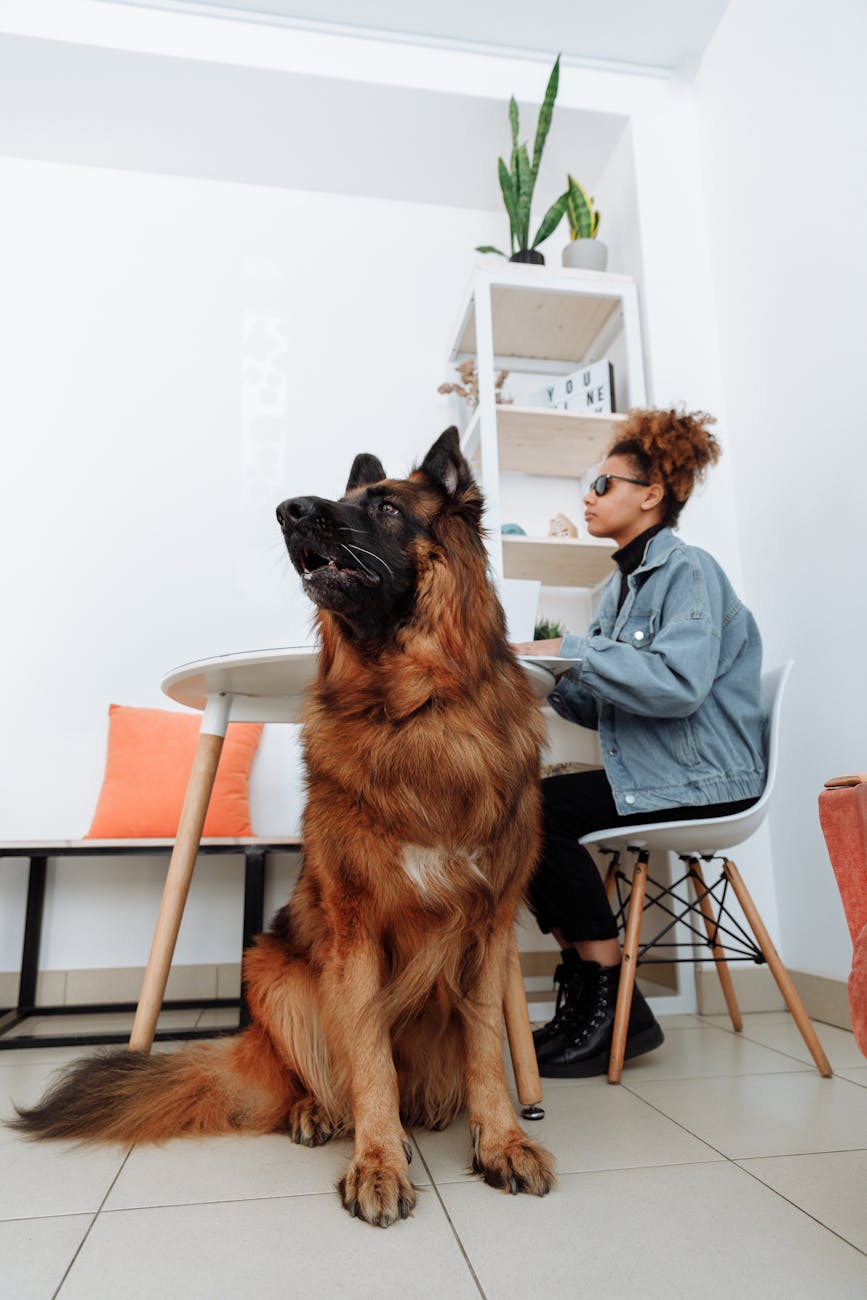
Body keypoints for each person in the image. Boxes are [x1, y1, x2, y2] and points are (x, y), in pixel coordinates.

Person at [512, 408, 766, 1077]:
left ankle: (608, 1004)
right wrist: (543, 676)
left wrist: (569, 649)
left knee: (530, 812)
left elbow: (677, 688)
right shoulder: (620, 588)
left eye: (602, 484)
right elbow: (610, 709)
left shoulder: (688, 570)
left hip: (705, 781)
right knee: (517, 807)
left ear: (650, 494)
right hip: (663, 773)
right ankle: (602, 1005)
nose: (587, 498)